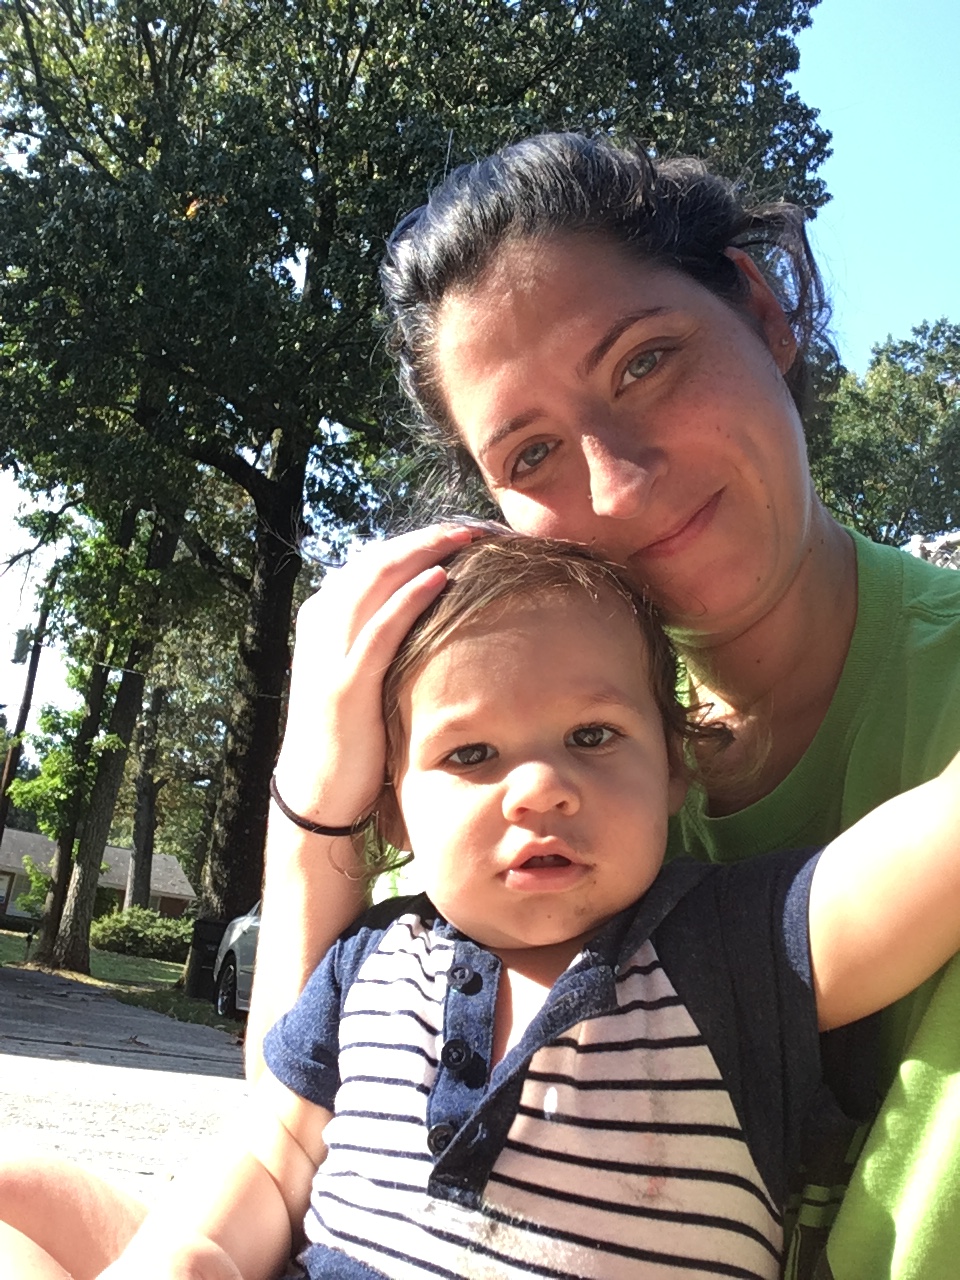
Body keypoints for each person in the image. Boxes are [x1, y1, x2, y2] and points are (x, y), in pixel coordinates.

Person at [1, 132, 959, 1278]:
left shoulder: (750, 910)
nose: (619, 482)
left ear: (758, 308)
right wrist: (318, 788)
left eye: (647, 362)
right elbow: (306, 1140)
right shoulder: (501, 776)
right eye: (533, 450)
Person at [20, 534, 960, 1280]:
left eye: (593, 735)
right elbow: (275, 1159)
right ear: (391, 808)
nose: (541, 786)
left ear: (676, 765)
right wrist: (195, 1253)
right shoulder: (367, 963)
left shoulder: (739, 950)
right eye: (471, 755)